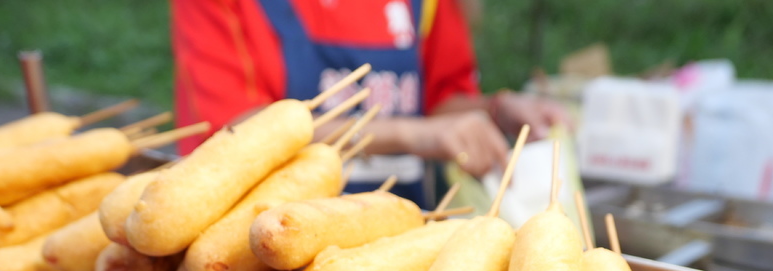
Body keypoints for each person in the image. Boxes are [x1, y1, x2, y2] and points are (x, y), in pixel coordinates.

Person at [171, 0, 571, 206]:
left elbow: (440, 101)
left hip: (402, 235)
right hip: (258, 244)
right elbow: (236, 128)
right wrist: (410, 134)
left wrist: (495, 110)